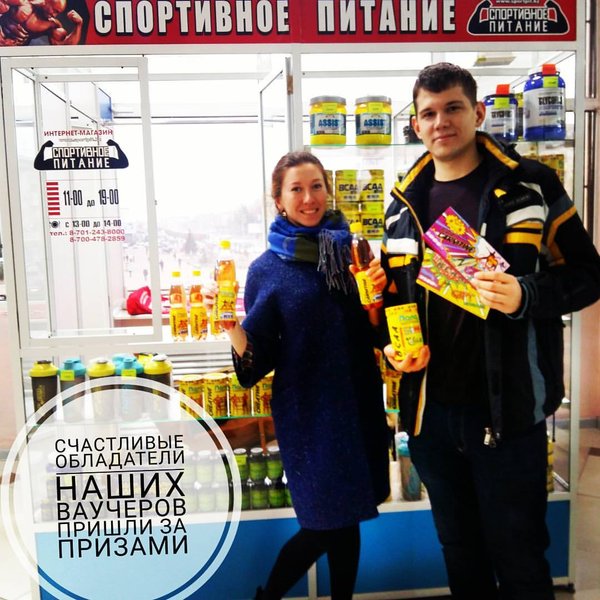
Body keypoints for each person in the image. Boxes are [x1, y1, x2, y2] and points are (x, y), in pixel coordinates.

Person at [381, 62, 600, 600]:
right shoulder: (402, 206)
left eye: (453, 108)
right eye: (429, 113)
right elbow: (394, 302)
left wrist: (527, 295)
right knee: (461, 556)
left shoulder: (532, 184)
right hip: (431, 418)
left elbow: (588, 274)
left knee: (520, 559)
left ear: (477, 112)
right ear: (416, 124)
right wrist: (392, 349)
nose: (441, 122)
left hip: (508, 413)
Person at [205, 151, 390, 600]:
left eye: (316, 186)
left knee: (347, 515)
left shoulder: (355, 252)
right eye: (297, 189)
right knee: (324, 521)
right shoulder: (266, 269)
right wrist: (231, 327)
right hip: (308, 413)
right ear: (279, 200)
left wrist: (379, 298)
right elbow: (259, 358)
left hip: (357, 402)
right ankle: (267, 597)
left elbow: (378, 330)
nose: (309, 198)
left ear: (328, 191)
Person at [0, 0, 83, 46]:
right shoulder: (23, 2)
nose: (54, 15)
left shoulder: (51, 25)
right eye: (55, 10)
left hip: (13, 57)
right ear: (47, 2)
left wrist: (78, 25)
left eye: (57, 13)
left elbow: (64, 46)